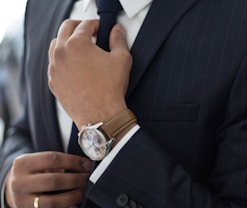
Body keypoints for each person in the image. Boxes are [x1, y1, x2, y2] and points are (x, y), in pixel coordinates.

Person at [1, 0, 247, 207]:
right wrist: (9, 185)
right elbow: (23, 125)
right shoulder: (40, 5)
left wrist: (108, 123)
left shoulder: (237, 20)